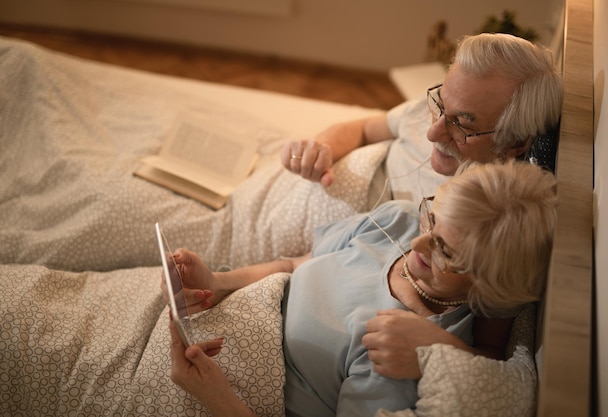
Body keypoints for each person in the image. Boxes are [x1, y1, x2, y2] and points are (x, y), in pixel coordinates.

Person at [166, 160, 558, 417]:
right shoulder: (400, 220)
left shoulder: (399, 349)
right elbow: (291, 265)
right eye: (432, 219)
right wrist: (218, 282)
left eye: (446, 251)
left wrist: (216, 399)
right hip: (215, 318)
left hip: (210, 388)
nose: (418, 244)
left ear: (489, 283)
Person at [280, 32, 562, 201]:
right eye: (439, 104)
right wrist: (320, 148)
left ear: (516, 144)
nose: (432, 133)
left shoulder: (474, 211)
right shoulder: (441, 105)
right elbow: (365, 128)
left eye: (462, 124)